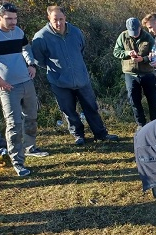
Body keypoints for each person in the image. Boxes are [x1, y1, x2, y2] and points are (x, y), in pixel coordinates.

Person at [32, 5, 118, 146]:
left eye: (61, 19)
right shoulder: (41, 37)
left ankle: (101, 134)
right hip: (59, 81)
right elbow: (39, 60)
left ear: (65, 17)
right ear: (49, 18)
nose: (59, 23)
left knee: (91, 107)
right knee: (69, 110)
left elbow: (81, 49)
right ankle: (78, 135)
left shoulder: (76, 32)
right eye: (55, 20)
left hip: (81, 78)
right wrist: (59, 71)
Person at [0, 2, 49, 177]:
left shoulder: (18, 32)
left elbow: (25, 48)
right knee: (14, 124)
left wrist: (31, 64)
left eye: (15, 18)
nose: (13, 22)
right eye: (9, 19)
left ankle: (30, 147)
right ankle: (17, 162)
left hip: (26, 82)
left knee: (31, 116)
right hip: (7, 86)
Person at [113, 17, 156, 133]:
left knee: (152, 100)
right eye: (131, 33)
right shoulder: (123, 36)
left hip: (147, 73)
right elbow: (116, 52)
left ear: (140, 27)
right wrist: (128, 53)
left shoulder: (148, 37)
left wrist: (143, 59)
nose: (134, 35)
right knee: (134, 100)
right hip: (130, 74)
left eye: (136, 32)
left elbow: (154, 55)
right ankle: (141, 124)